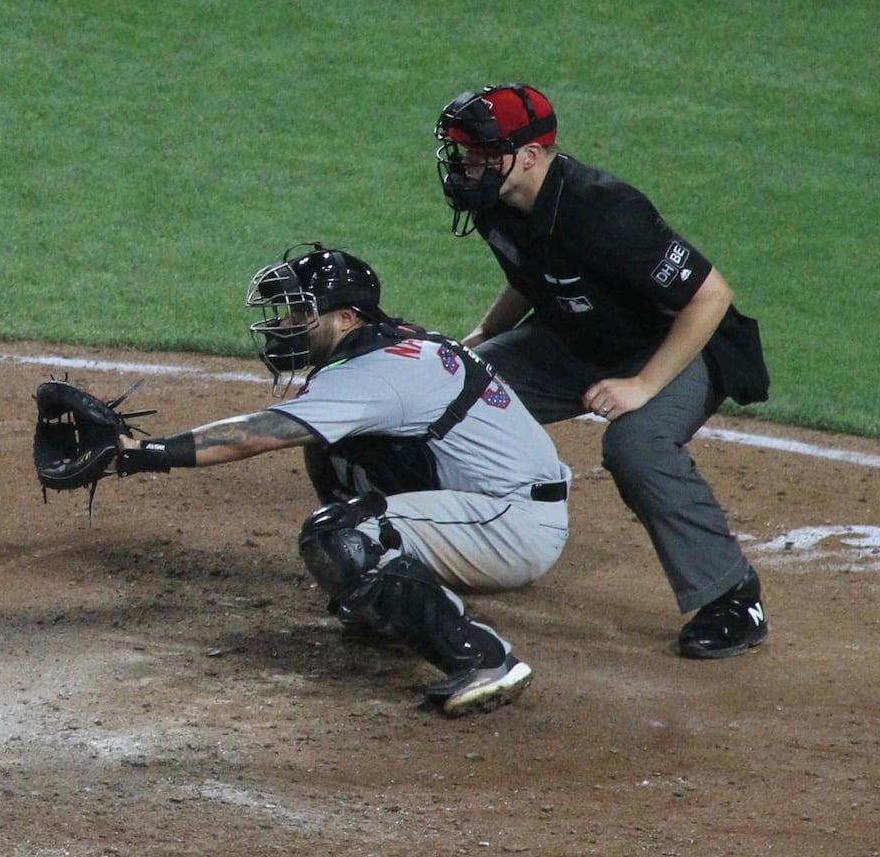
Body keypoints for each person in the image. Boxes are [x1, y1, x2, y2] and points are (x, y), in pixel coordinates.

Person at [115, 244, 571, 716]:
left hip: (511, 525)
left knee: (341, 534)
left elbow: (258, 435)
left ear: (348, 318)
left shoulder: (379, 372)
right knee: (332, 445)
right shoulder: (387, 345)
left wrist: (140, 454)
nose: (285, 323)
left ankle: (483, 657)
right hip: (494, 505)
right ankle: (389, 606)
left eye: (300, 311)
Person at [434, 83, 771, 659]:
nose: (467, 165)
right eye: (463, 152)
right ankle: (435, 548)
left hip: (677, 343)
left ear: (532, 155)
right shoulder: (495, 199)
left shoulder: (604, 212)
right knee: (445, 388)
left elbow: (710, 297)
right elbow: (528, 270)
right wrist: (488, 335)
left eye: (482, 153)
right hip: (575, 338)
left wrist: (642, 385)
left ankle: (732, 598)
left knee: (636, 443)